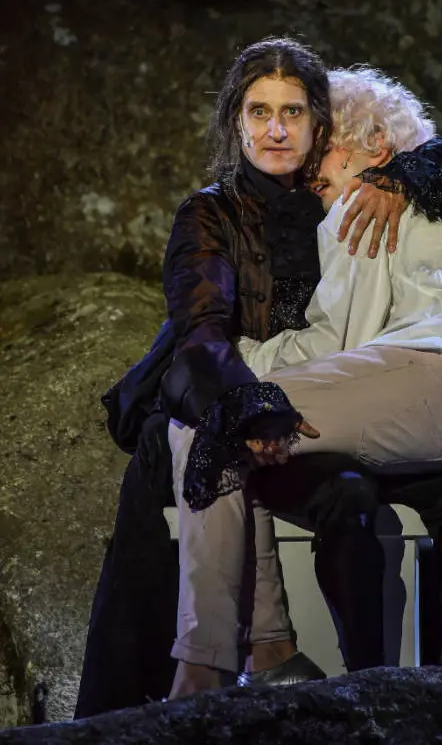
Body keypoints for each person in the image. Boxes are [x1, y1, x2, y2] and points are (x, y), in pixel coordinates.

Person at [172, 66, 442, 693]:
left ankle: (221, 661)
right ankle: (263, 647)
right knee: (238, 421)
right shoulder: (428, 198)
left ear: (374, 146)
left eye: (324, 147)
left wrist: (237, 357)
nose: (311, 171)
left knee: (211, 416)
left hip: (440, 381)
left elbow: (340, 337)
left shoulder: (366, 203)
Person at [75, 37, 412, 717]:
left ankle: (367, 696)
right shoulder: (209, 211)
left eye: (292, 112)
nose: (276, 129)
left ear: (317, 123)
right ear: (237, 121)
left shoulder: (338, 193)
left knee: (352, 492)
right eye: (259, 112)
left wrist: (404, 178)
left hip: (309, 407)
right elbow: (201, 333)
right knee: (207, 441)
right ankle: (235, 662)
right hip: (210, 397)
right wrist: (251, 409)